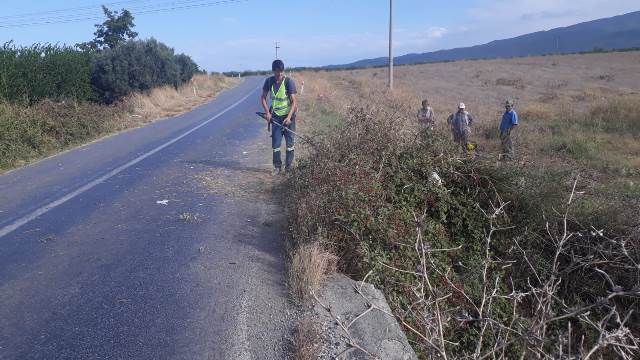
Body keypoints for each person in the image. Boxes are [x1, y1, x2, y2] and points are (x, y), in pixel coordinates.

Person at [261, 59, 298, 175]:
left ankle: (288, 168)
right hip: (276, 118)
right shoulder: (269, 81)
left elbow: (294, 102)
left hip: (288, 118)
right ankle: (277, 167)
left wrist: (289, 117)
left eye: (281, 71)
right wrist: (267, 113)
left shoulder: (289, 82)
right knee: (276, 144)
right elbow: (263, 97)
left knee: (290, 144)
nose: (279, 74)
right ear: (273, 71)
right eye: (277, 72)